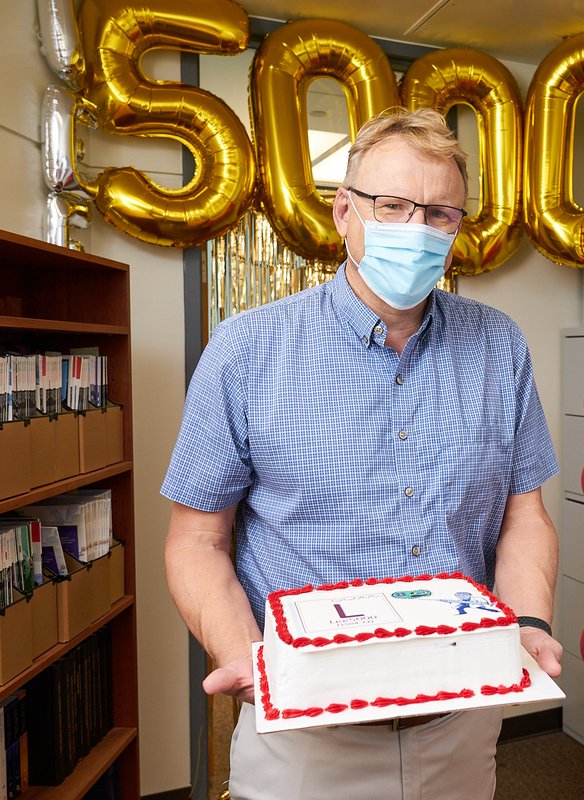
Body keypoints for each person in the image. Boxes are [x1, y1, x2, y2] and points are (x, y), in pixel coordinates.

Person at [161, 106, 562, 800]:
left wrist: (527, 623)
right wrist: (245, 658)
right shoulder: (246, 351)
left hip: (460, 719)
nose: (417, 229)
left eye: (440, 214)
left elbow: (524, 517)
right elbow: (197, 542)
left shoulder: (500, 345)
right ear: (345, 212)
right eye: (393, 206)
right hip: (305, 732)